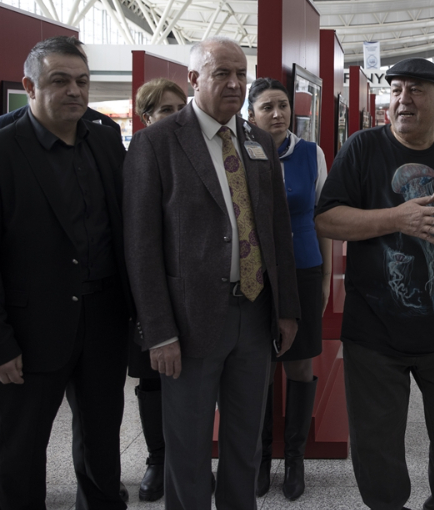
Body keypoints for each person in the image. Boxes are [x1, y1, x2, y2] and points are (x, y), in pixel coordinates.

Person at [314, 57, 434, 510]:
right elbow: (327, 218)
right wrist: (399, 217)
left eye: (416, 89)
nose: (403, 98)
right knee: (377, 453)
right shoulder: (362, 150)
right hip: (374, 335)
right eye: (396, 89)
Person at [123, 37, 300, 510]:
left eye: (241, 73)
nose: (235, 83)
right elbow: (140, 248)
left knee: (245, 444)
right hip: (189, 322)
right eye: (222, 73)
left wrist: (287, 311)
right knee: (188, 448)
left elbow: (276, 231)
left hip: (255, 315)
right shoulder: (156, 143)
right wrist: (158, 333)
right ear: (195, 78)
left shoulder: (257, 140)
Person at [0, 36, 131, 510]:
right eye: (60, 81)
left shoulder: (107, 141)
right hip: (28, 336)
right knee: (20, 457)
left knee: (102, 453)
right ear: (31, 86)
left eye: (82, 81)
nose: (75, 91)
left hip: (103, 327)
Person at [246, 77, 332, 500]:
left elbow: (323, 219)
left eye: (283, 105)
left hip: (302, 269)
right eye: (267, 107)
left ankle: (294, 458)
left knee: (299, 366)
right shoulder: (240, 154)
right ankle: (261, 457)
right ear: (252, 114)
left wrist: (327, 277)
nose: (278, 114)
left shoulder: (311, 154)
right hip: (255, 275)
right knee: (258, 367)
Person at [129, 77, 188, 502]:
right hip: (144, 291)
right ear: (147, 117)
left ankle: (188, 459)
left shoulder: (195, 152)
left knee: (189, 380)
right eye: (165, 111)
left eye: (179, 108)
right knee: (152, 378)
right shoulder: (134, 155)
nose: (175, 117)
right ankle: (157, 458)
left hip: (190, 290)